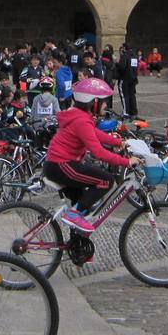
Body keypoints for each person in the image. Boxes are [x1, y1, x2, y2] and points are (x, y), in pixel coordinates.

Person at [43, 77, 135, 232]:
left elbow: (95, 133)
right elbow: (98, 152)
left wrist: (119, 142)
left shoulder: (79, 116)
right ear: (94, 102)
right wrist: (126, 162)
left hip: (57, 164)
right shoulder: (82, 121)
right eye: (104, 101)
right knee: (106, 180)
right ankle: (73, 215)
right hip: (62, 165)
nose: (106, 105)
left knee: (85, 206)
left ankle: (78, 248)